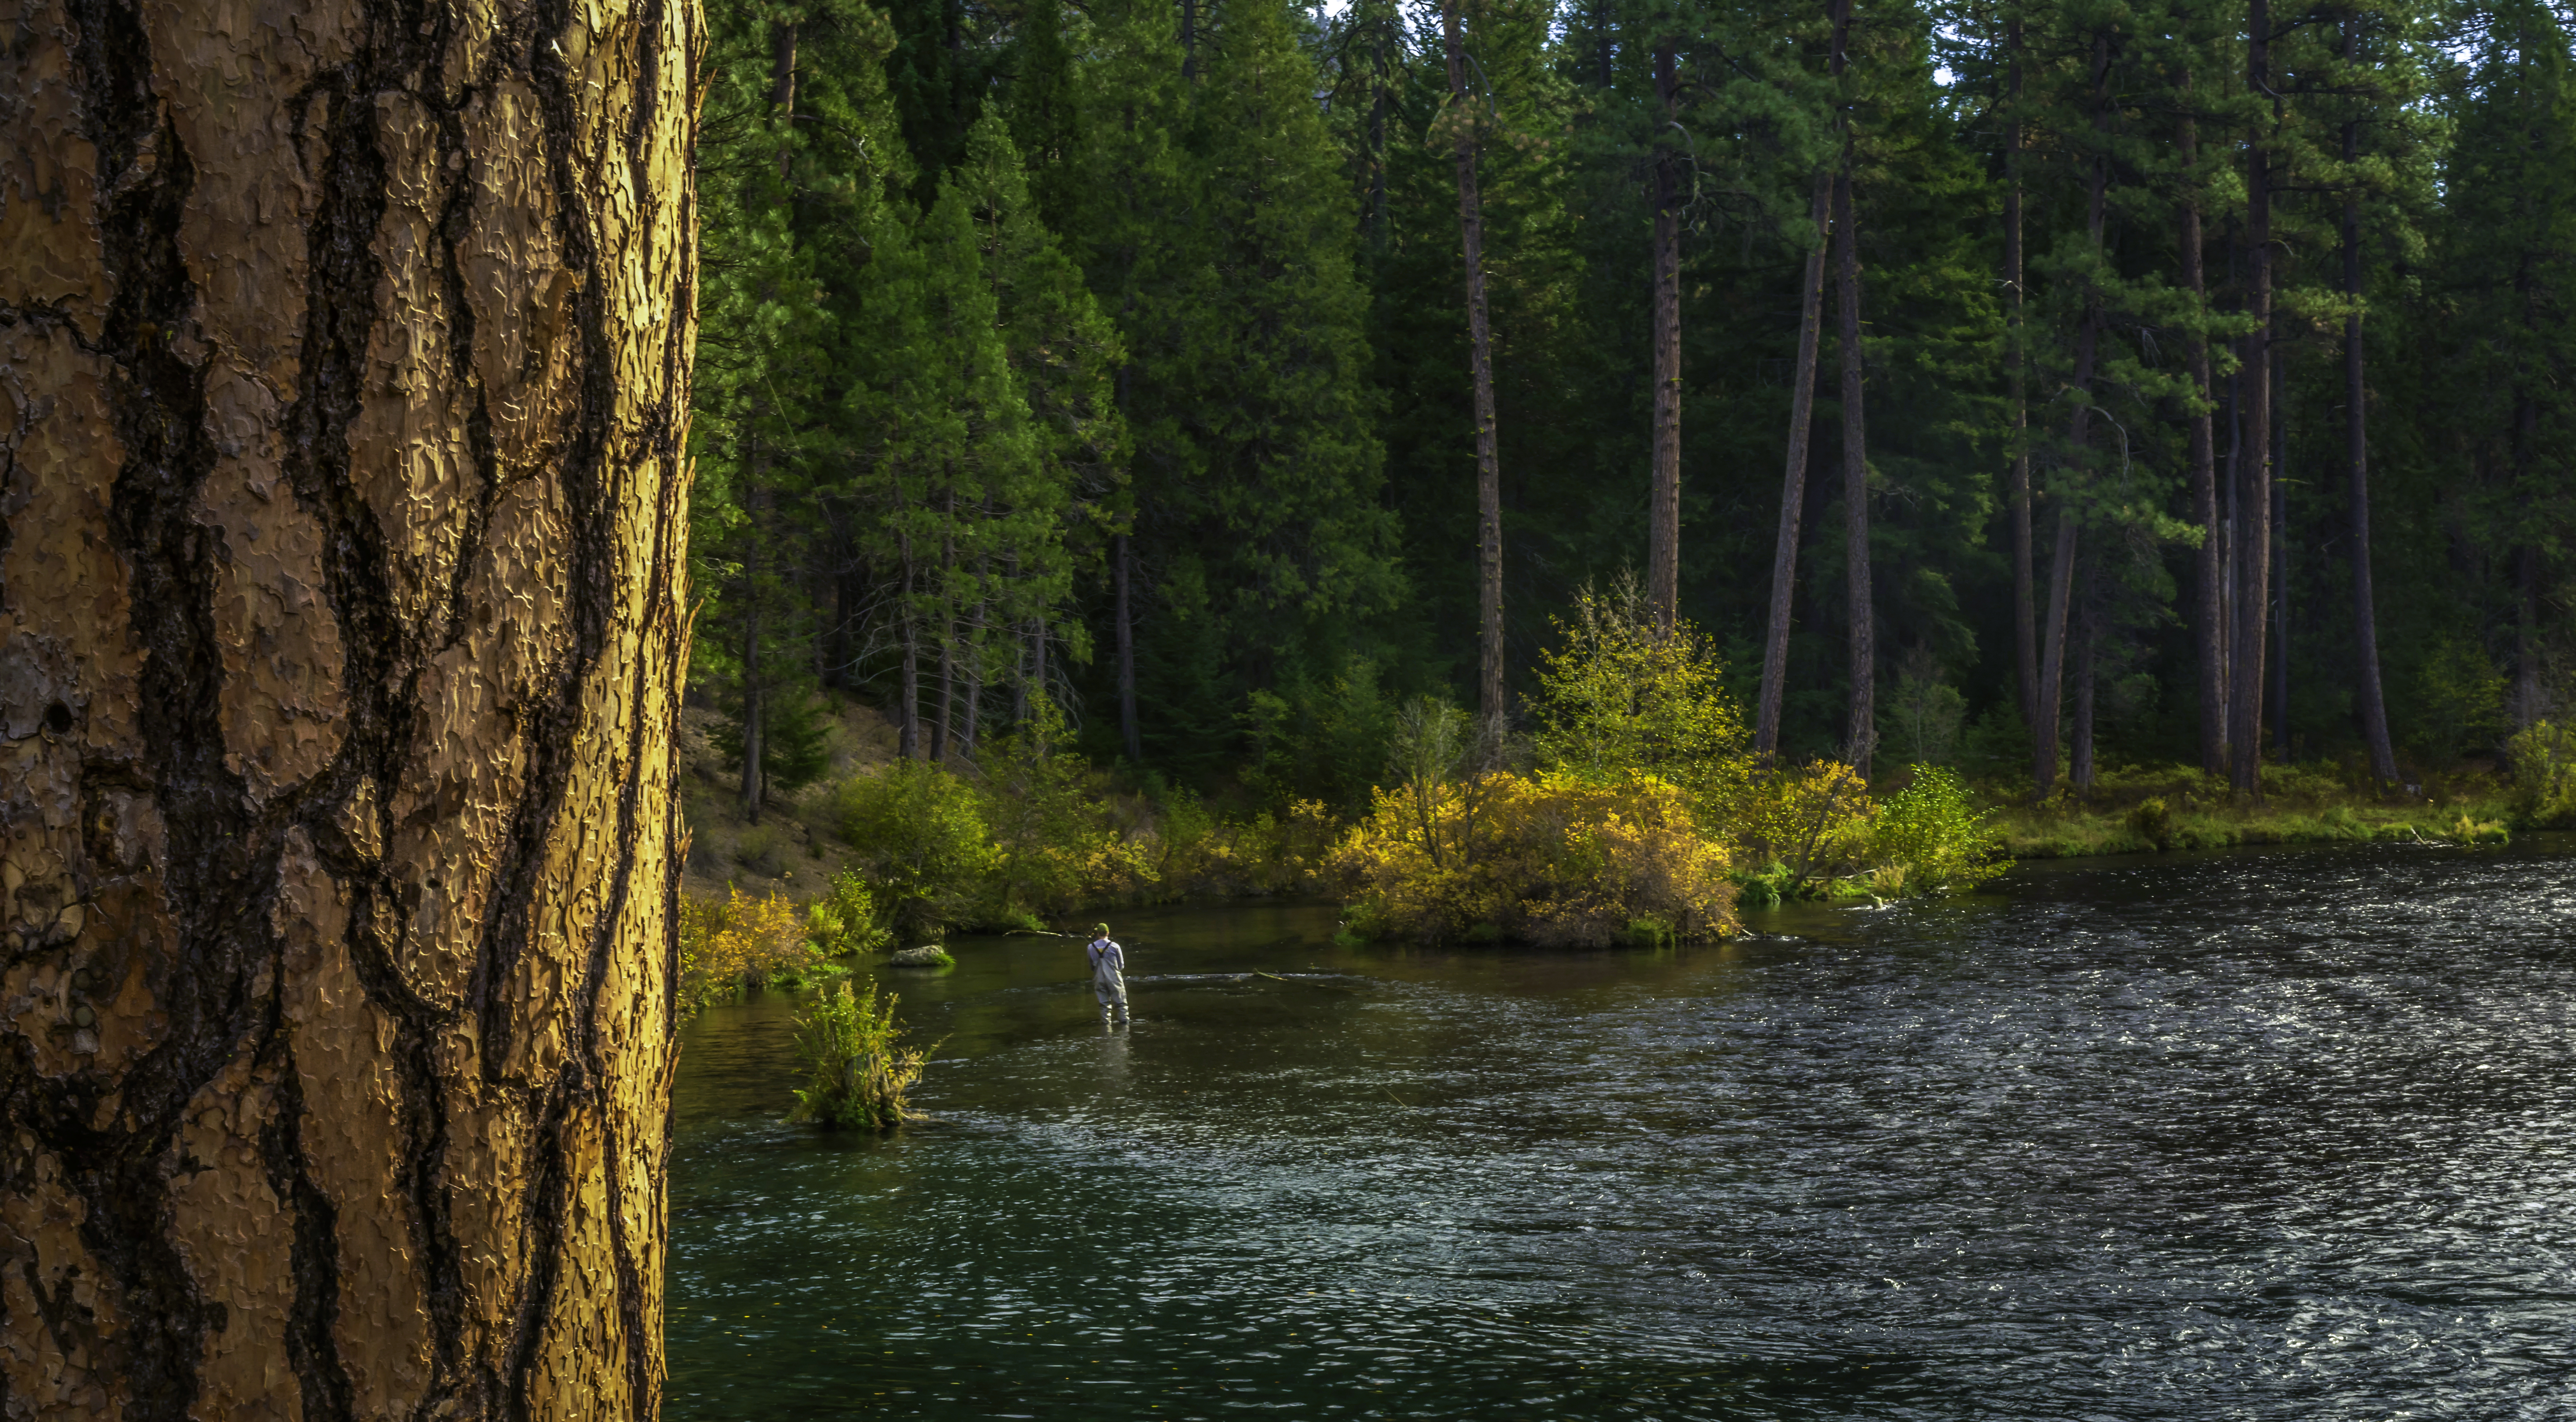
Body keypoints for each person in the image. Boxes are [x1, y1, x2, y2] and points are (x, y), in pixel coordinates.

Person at [1085, 922, 1129, 1027]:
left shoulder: (1091, 947)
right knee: (1121, 1003)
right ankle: (1125, 1028)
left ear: (1097, 934)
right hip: (1114, 978)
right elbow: (1121, 966)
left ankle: (1106, 1029)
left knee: (1104, 1005)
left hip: (1099, 978)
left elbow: (1092, 967)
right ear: (1108, 933)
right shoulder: (1115, 946)